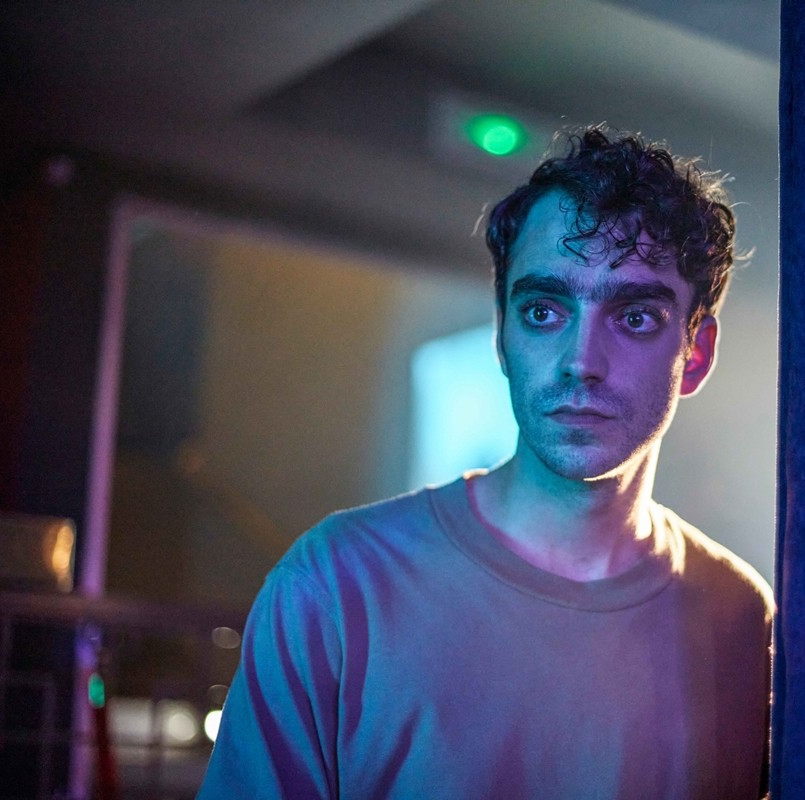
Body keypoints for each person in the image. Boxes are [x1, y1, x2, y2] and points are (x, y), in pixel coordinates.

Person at [198, 125, 773, 799]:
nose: (581, 362)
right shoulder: (335, 587)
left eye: (635, 317)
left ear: (696, 354)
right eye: (543, 311)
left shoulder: (741, 619)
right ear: (503, 337)